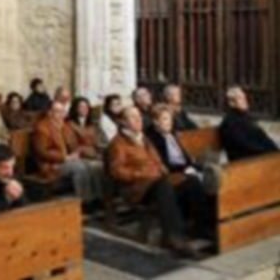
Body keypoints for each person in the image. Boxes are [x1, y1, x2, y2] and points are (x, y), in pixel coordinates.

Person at [108, 106, 197, 257]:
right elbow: (116, 171)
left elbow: (158, 160)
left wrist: (161, 169)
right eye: (132, 117)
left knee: (190, 183)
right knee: (163, 186)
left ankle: (202, 225)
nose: (138, 120)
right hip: (137, 188)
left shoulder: (144, 139)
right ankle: (174, 237)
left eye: (139, 116)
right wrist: (140, 174)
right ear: (123, 122)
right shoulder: (118, 143)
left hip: (155, 182)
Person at [147, 104, 215, 239]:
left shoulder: (172, 134)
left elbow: (184, 157)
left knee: (212, 178)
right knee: (194, 184)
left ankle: (214, 222)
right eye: (165, 119)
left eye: (170, 119)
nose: (170, 122)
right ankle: (201, 227)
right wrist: (186, 170)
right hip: (170, 177)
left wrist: (193, 168)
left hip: (185, 170)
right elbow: (163, 164)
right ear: (155, 121)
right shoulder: (152, 139)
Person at [32, 102, 105, 204]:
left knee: (95, 166)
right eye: (58, 111)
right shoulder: (42, 128)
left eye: (63, 111)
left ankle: (99, 198)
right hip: (52, 164)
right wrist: (65, 158)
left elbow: (73, 143)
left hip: (70, 159)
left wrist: (77, 152)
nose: (61, 114)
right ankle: (85, 201)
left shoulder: (65, 126)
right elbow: (42, 152)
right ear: (50, 113)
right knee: (79, 168)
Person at [218, 86, 279, 162]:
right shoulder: (230, 123)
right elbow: (246, 147)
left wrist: (275, 152)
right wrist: (270, 154)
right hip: (246, 164)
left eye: (244, 98)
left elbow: (261, 137)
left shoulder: (244, 117)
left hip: (260, 159)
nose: (245, 101)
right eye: (240, 98)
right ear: (231, 103)